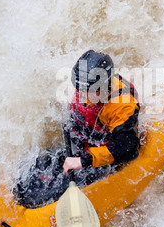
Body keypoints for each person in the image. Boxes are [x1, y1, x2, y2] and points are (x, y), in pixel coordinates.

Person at [13, 50, 140, 208]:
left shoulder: (122, 104)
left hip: (99, 157)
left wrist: (83, 161)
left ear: (103, 87)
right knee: (30, 168)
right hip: (80, 145)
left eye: (86, 91)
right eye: (79, 88)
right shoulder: (87, 81)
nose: (81, 94)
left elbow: (129, 147)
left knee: (48, 194)